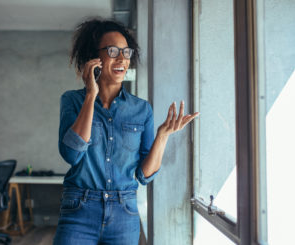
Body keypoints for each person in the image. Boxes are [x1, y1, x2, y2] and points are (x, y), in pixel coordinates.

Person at [54, 18, 199, 245]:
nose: (122, 58)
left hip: (124, 212)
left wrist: (162, 136)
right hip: (79, 209)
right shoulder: (72, 100)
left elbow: (144, 176)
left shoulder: (142, 109)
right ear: (95, 57)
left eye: (126, 52)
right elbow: (71, 155)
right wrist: (91, 95)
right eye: (113, 51)